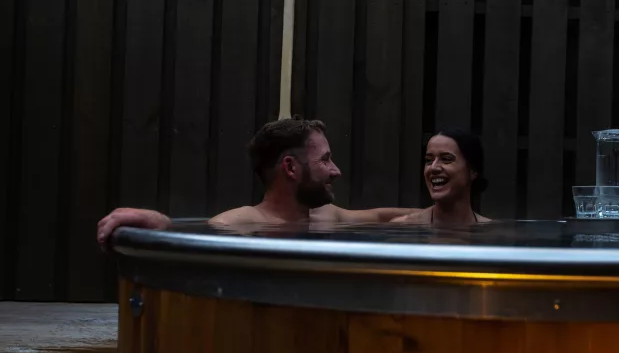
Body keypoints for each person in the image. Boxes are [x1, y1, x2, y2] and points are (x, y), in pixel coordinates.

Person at [96, 117, 419, 246]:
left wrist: (453, 217)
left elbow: (383, 217)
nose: (335, 171)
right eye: (324, 159)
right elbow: (198, 240)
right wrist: (163, 224)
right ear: (290, 168)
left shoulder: (326, 217)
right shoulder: (241, 223)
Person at [390, 128, 490, 225]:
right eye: (429, 160)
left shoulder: (489, 233)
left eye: (446, 159)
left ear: (472, 171)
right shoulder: (404, 227)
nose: (433, 168)